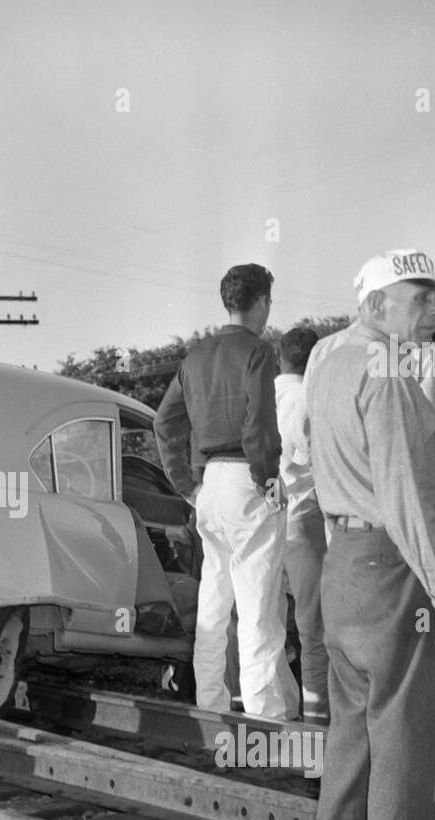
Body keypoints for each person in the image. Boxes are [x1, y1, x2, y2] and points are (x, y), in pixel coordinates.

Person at [305, 248, 435, 820]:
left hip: (342, 558)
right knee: (404, 720)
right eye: (420, 300)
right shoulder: (385, 371)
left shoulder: (327, 360)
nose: (434, 313)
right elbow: (403, 495)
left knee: (352, 719)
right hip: (392, 560)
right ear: (376, 303)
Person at [154, 264, 297, 719]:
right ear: (261, 303)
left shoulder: (194, 357)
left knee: (214, 607)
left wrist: (186, 484)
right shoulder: (259, 352)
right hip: (247, 480)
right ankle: (264, 718)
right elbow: (259, 426)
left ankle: (210, 707)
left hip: (210, 485)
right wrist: (269, 480)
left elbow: (163, 422)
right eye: (269, 302)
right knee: (257, 608)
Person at [275, 326, 328, 721]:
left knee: (266, 622)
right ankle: (317, 718)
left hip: (265, 519)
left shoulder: (259, 396)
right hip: (304, 518)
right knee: (313, 626)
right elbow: (316, 459)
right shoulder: (306, 398)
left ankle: (270, 710)